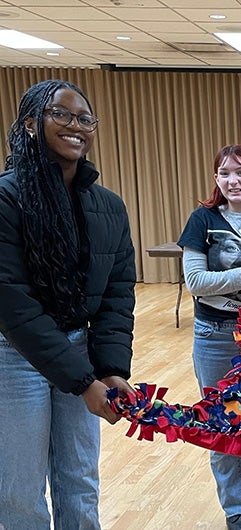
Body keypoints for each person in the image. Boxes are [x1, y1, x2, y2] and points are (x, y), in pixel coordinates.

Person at [0, 79, 136, 529]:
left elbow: (118, 292)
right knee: (19, 490)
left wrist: (110, 367)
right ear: (30, 124)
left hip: (80, 349)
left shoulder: (109, 207)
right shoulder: (6, 198)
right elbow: (11, 303)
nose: (75, 126)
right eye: (61, 114)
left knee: (80, 479)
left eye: (84, 118)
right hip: (14, 356)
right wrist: (82, 382)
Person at [178, 144, 241, 530]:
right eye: (224, 173)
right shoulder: (202, 220)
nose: (232, 180)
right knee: (222, 422)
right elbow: (195, 282)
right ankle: (236, 510)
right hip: (214, 334)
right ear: (216, 179)